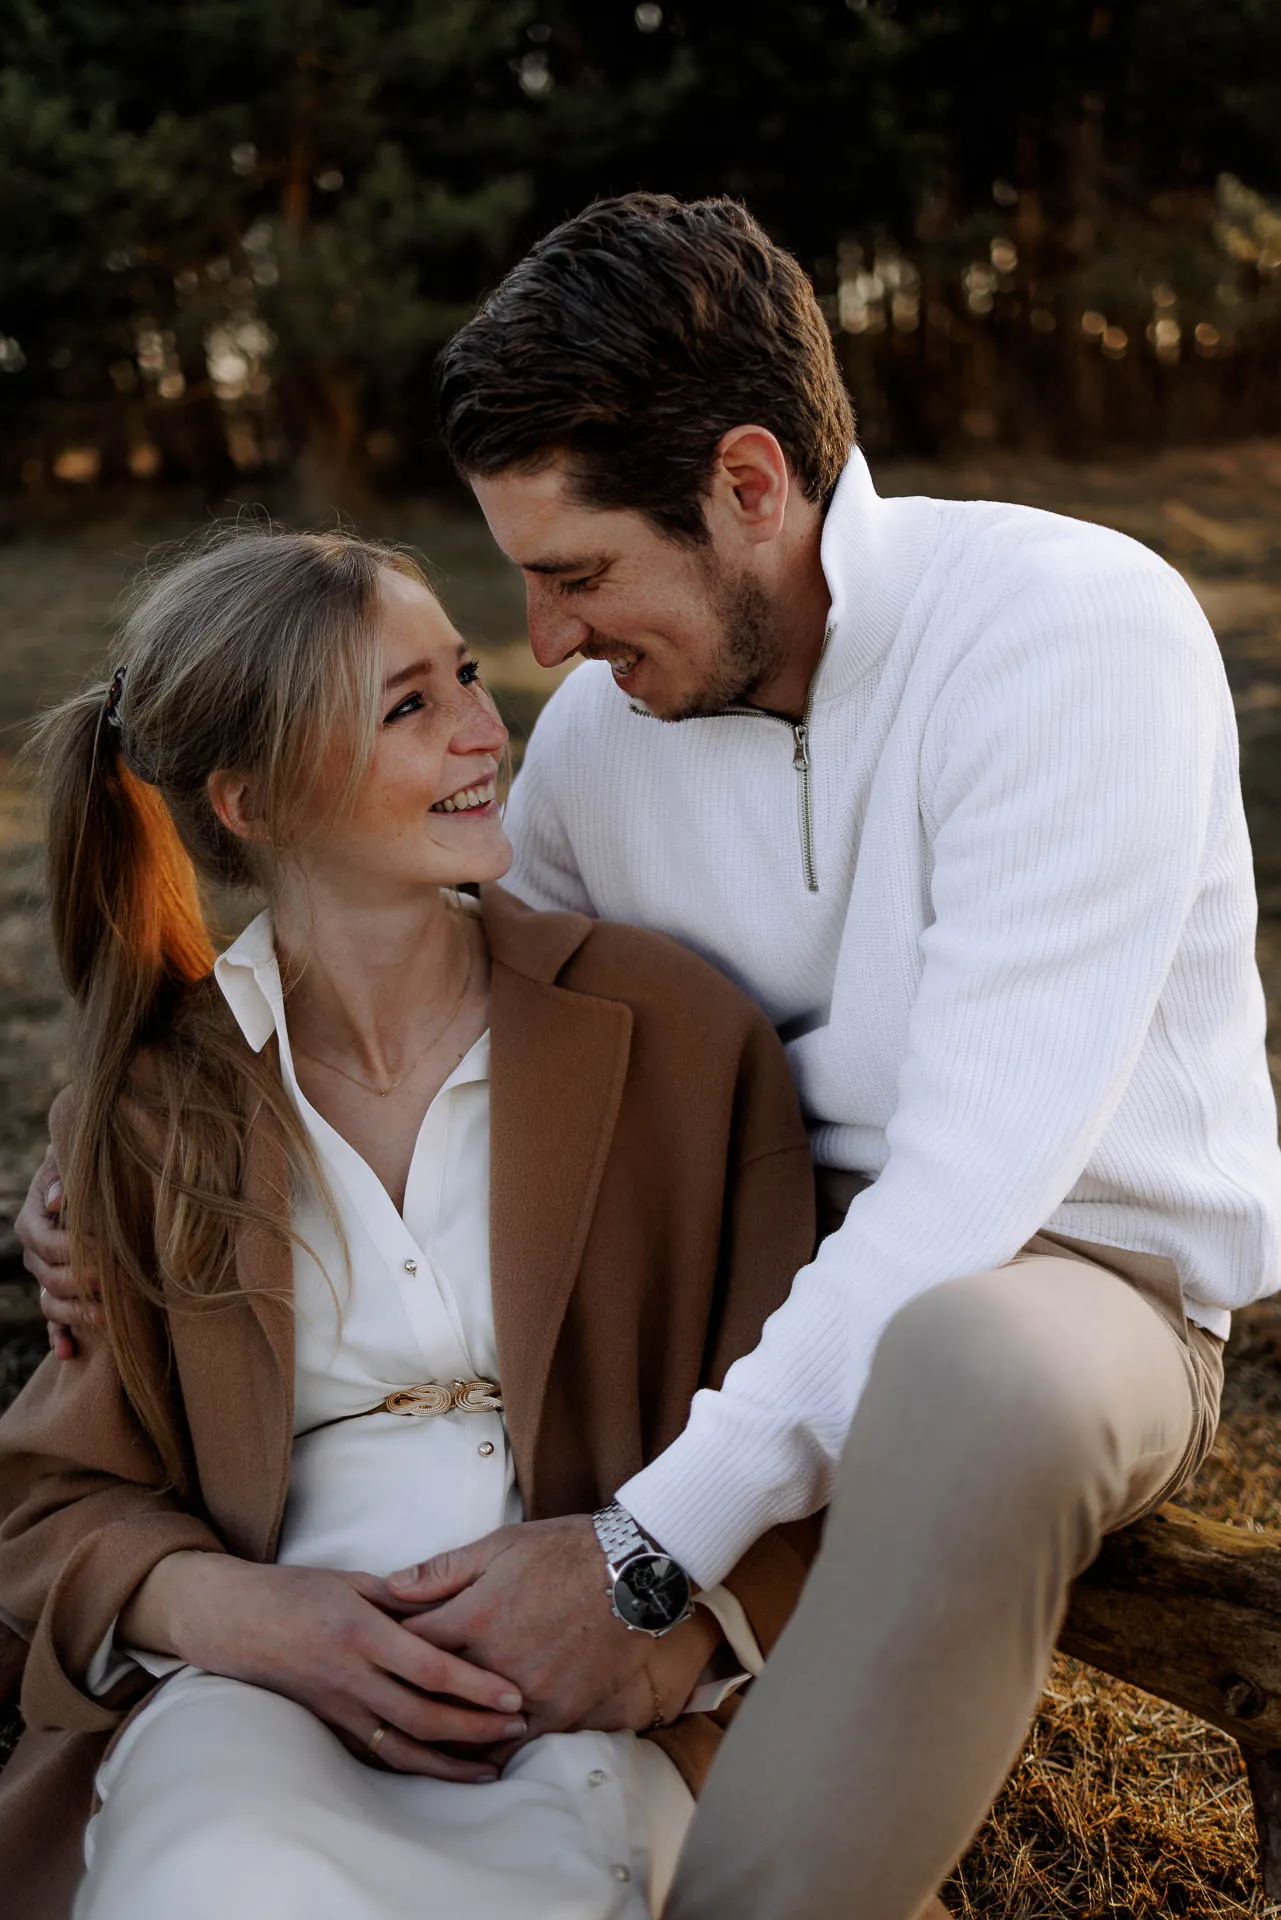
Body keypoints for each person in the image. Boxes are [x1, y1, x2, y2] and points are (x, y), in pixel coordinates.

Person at [24, 192, 1281, 1916]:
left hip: (1056, 1269)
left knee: (966, 1367)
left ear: (750, 489)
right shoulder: (620, 735)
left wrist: (642, 1558)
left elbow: (975, 1183)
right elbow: (419, 949)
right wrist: (109, 1140)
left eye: (576, 576)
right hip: (750, 1263)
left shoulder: (1066, 634)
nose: (545, 653)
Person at [0, 527, 825, 1920]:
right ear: (252, 801)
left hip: (590, 1702)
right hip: (254, 1710)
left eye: (463, 674)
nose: (483, 730)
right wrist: (235, 1614)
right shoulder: (153, 1104)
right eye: (408, 706)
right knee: (213, 1882)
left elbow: (810, 1407)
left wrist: (670, 1641)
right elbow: (53, 1503)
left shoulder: (673, 1031)